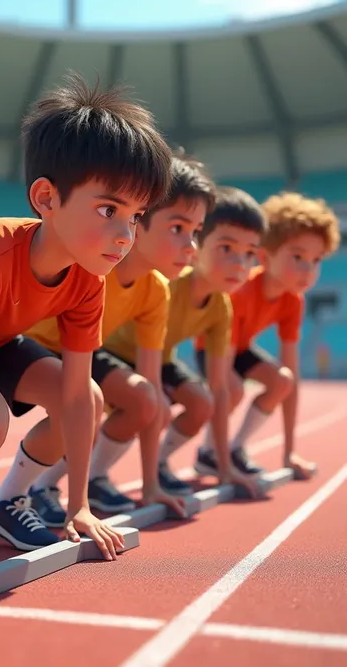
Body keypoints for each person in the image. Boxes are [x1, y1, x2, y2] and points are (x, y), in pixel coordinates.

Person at [0, 73, 173, 612]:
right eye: (109, 210)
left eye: (135, 218)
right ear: (46, 198)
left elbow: (75, 387)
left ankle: (9, 499)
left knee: (86, 396)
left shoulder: (91, 276)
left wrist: (79, 505)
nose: (125, 236)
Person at [21, 156, 216, 525]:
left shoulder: (157, 290)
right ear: (139, 221)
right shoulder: (91, 264)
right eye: (177, 228)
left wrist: (150, 485)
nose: (191, 246)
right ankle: (36, 487)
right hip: (33, 342)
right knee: (86, 404)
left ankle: (92, 479)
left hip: (81, 349)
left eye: (197, 231)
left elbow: (153, 384)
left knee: (146, 399)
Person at [103, 186, 267, 498]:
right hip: (116, 352)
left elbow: (219, 389)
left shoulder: (221, 307)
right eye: (227, 249)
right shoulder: (170, 283)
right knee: (157, 406)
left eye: (249, 254)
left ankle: (161, 464)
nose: (240, 264)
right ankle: (96, 475)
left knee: (202, 401)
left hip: (158, 358)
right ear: (198, 246)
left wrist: (224, 465)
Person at [195, 191, 340, 479]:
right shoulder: (241, 291)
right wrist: (222, 465)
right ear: (265, 255)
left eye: (316, 260)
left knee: (282, 381)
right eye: (297, 257)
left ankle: (236, 450)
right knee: (233, 389)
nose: (307, 270)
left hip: (241, 348)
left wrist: (289, 452)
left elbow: (293, 376)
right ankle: (210, 454)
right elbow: (222, 379)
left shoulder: (292, 300)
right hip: (212, 346)